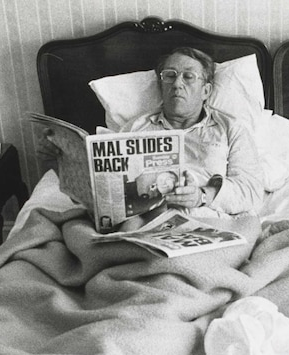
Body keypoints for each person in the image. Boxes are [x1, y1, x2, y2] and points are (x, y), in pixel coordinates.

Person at [39, 47, 264, 225]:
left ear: (206, 91)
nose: (177, 84)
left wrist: (202, 195)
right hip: (143, 225)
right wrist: (63, 162)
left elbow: (251, 192)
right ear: (161, 84)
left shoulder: (231, 129)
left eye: (188, 77)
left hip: (205, 219)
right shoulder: (137, 127)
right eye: (170, 76)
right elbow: (102, 193)